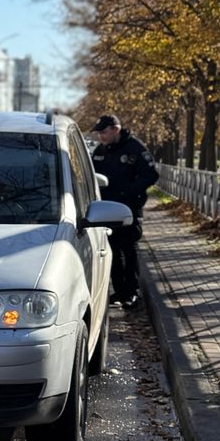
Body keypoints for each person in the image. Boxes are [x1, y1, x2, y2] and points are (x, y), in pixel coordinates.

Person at [91, 114, 156, 307]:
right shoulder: (100, 151)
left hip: (129, 209)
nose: (101, 137)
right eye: (99, 133)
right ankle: (119, 291)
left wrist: (130, 192)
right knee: (112, 250)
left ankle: (132, 292)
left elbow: (151, 175)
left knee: (129, 249)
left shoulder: (135, 149)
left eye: (104, 132)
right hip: (108, 209)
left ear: (115, 129)